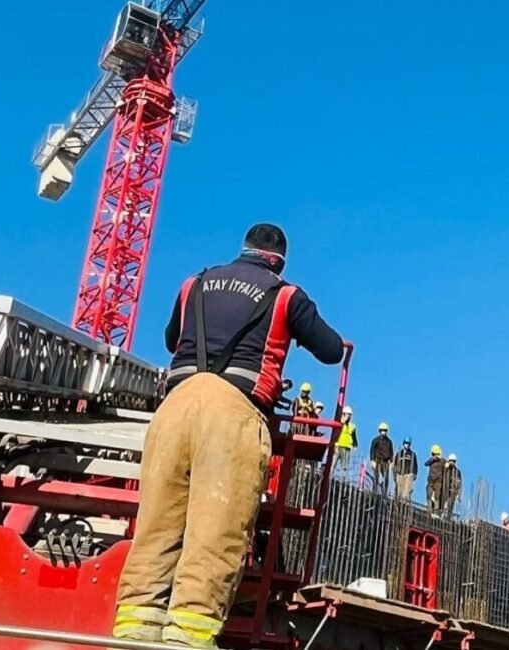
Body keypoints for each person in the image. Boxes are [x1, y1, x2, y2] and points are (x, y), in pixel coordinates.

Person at [113, 223, 343, 648]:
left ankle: (132, 636)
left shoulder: (194, 284)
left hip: (173, 410)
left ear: (244, 250)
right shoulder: (286, 295)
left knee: (155, 530)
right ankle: (188, 640)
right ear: (278, 261)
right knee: (214, 536)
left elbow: (170, 340)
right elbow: (330, 350)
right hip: (233, 413)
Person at [369, 422, 394, 495]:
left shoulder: (389, 442)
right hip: (378, 460)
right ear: (379, 431)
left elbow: (391, 452)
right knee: (376, 477)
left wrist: (391, 461)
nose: (384, 432)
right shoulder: (376, 440)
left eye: (385, 430)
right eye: (382, 430)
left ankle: (384, 493)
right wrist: (372, 460)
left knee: (386, 478)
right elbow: (372, 450)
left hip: (385, 462)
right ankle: (374, 491)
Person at [334, 406, 357, 476]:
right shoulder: (338, 423)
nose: (349, 417)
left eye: (350, 415)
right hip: (337, 446)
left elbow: (354, 437)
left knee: (344, 467)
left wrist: (355, 445)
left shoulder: (352, 426)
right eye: (347, 415)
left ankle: (343, 480)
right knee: (333, 463)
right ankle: (329, 476)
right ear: (343, 414)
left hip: (346, 448)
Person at [441, 453, 462, 517]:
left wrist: (459, 494)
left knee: (450, 507)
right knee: (443, 506)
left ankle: (448, 519)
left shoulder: (457, 471)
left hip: (453, 492)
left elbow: (459, 484)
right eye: (451, 460)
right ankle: (441, 516)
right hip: (445, 490)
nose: (452, 462)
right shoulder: (445, 468)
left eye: (453, 461)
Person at [424, 445, 444, 510]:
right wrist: (432, 459)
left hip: (438, 481)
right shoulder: (431, 461)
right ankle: (429, 509)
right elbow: (426, 463)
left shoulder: (442, 461)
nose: (436, 456)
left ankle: (436, 511)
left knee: (437, 497)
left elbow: (447, 464)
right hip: (430, 481)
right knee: (429, 495)